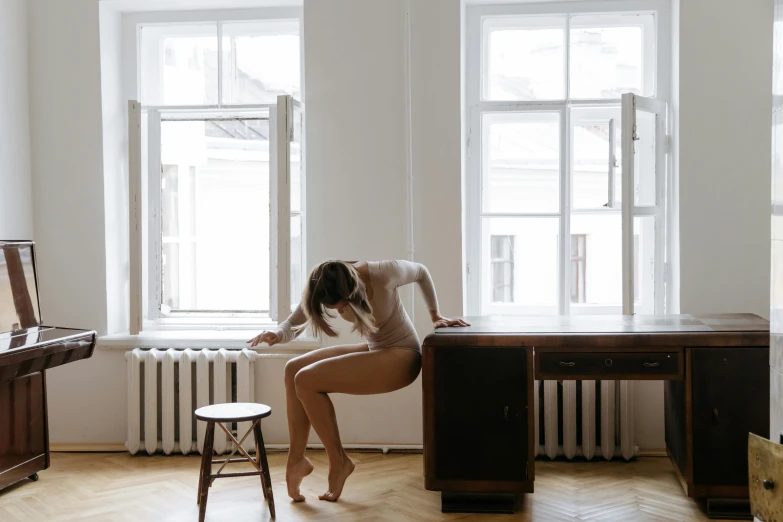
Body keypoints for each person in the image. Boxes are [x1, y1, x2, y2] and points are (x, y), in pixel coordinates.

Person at [247, 259, 468, 502]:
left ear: (350, 291)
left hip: (403, 356)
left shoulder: (383, 273)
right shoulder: (324, 281)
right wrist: (278, 333)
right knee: (294, 369)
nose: (340, 312)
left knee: (306, 380)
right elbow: (295, 320)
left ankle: (338, 462)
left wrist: (436, 315)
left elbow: (422, 272)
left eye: (341, 306)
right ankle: (296, 460)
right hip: (377, 349)